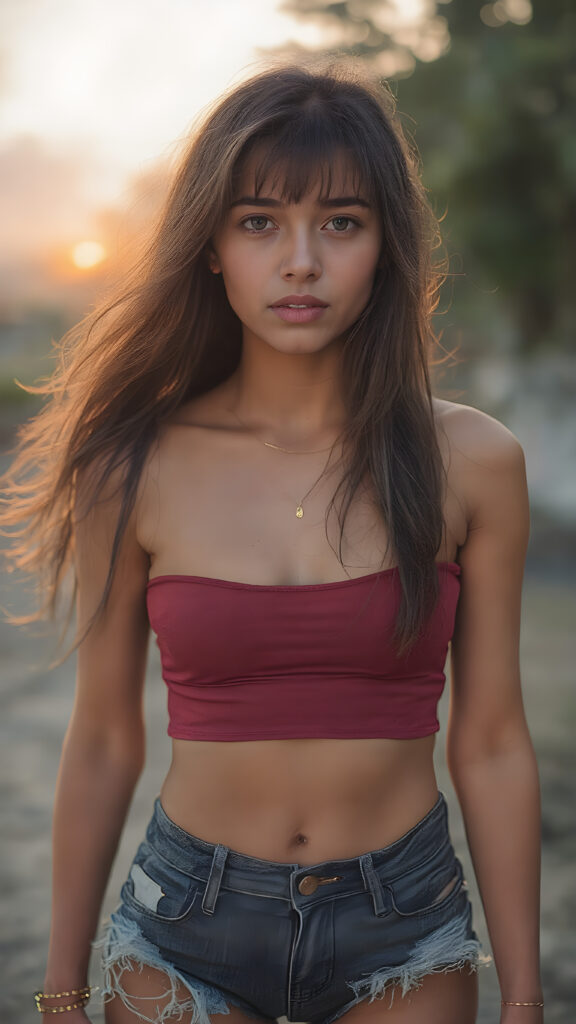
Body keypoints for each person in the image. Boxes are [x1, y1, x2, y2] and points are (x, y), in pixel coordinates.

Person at [1, 61, 543, 1024]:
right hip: (184, 925)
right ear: (211, 246)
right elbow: (104, 737)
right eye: (259, 222)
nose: (301, 262)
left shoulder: (473, 461)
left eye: (342, 222)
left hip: (404, 928)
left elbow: (494, 740)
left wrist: (527, 998)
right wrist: (60, 989)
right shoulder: (132, 465)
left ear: (386, 244)